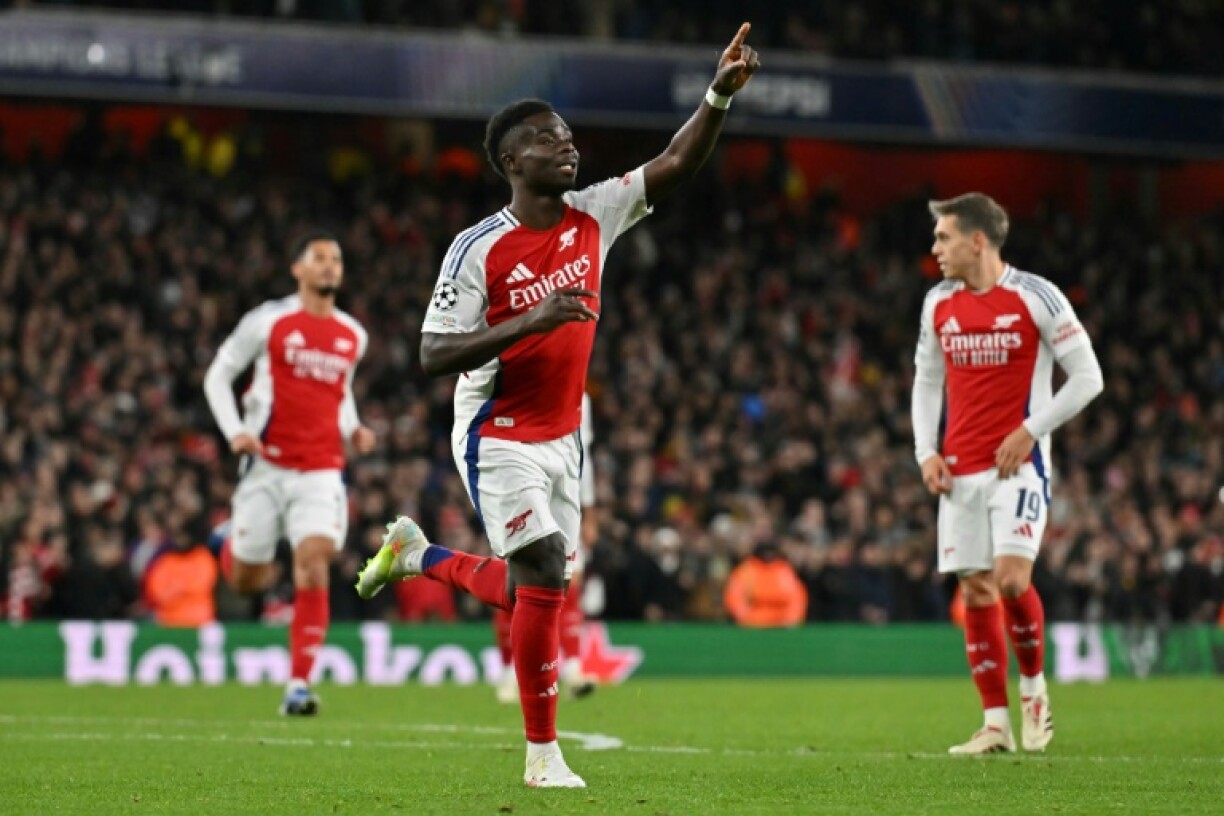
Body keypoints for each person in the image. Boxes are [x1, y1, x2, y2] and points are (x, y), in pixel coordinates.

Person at [355, 23, 760, 788]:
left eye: (568, 135)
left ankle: (416, 556)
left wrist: (717, 96)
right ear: (513, 161)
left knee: (533, 588)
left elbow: (674, 164)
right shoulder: (478, 248)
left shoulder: (593, 214)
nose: (567, 147)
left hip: (564, 433)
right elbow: (431, 354)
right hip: (495, 429)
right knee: (539, 564)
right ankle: (542, 756)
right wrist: (528, 321)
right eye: (547, 139)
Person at [911, 193, 1104, 754]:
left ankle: (1035, 689)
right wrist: (926, 451)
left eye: (944, 237)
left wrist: (1031, 430)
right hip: (958, 472)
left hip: (1018, 468)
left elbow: (1088, 377)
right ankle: (994, 724)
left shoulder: (1035, 295)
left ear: (978, 241)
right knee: (974, 591)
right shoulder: (937, 303)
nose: (935, 248)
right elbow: (927, 382)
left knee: (1012, 580)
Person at [204, 232, 374, 716]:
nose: (328, 266)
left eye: (335, 259)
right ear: (297, 269)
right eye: (318, 258)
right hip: (266, 465)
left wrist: (354, 427)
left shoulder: (352, 335)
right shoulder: (268, 321)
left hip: (321, 469)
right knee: (246, 581)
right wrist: (236, 431)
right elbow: (218, 374)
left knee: (314, 558)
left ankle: (298, 684)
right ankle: (229, 541)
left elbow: (339, 391)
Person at [493, 392, 598, 704]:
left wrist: (589, 510)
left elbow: (582, 455)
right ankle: (510, 671)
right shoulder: (514, 379)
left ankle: (574, 669)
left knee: (570, 579)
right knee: (513, 580)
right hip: (518, 488)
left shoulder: (581, 397)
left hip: (564, 493)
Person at [723, 542, 808, 627]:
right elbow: (735, 598)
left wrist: (791, 620)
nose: (768, 555)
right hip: (754, 623)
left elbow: (797, 598)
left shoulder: (784, 571)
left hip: (782, 623)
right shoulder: (745, 571)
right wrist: (747, 620)